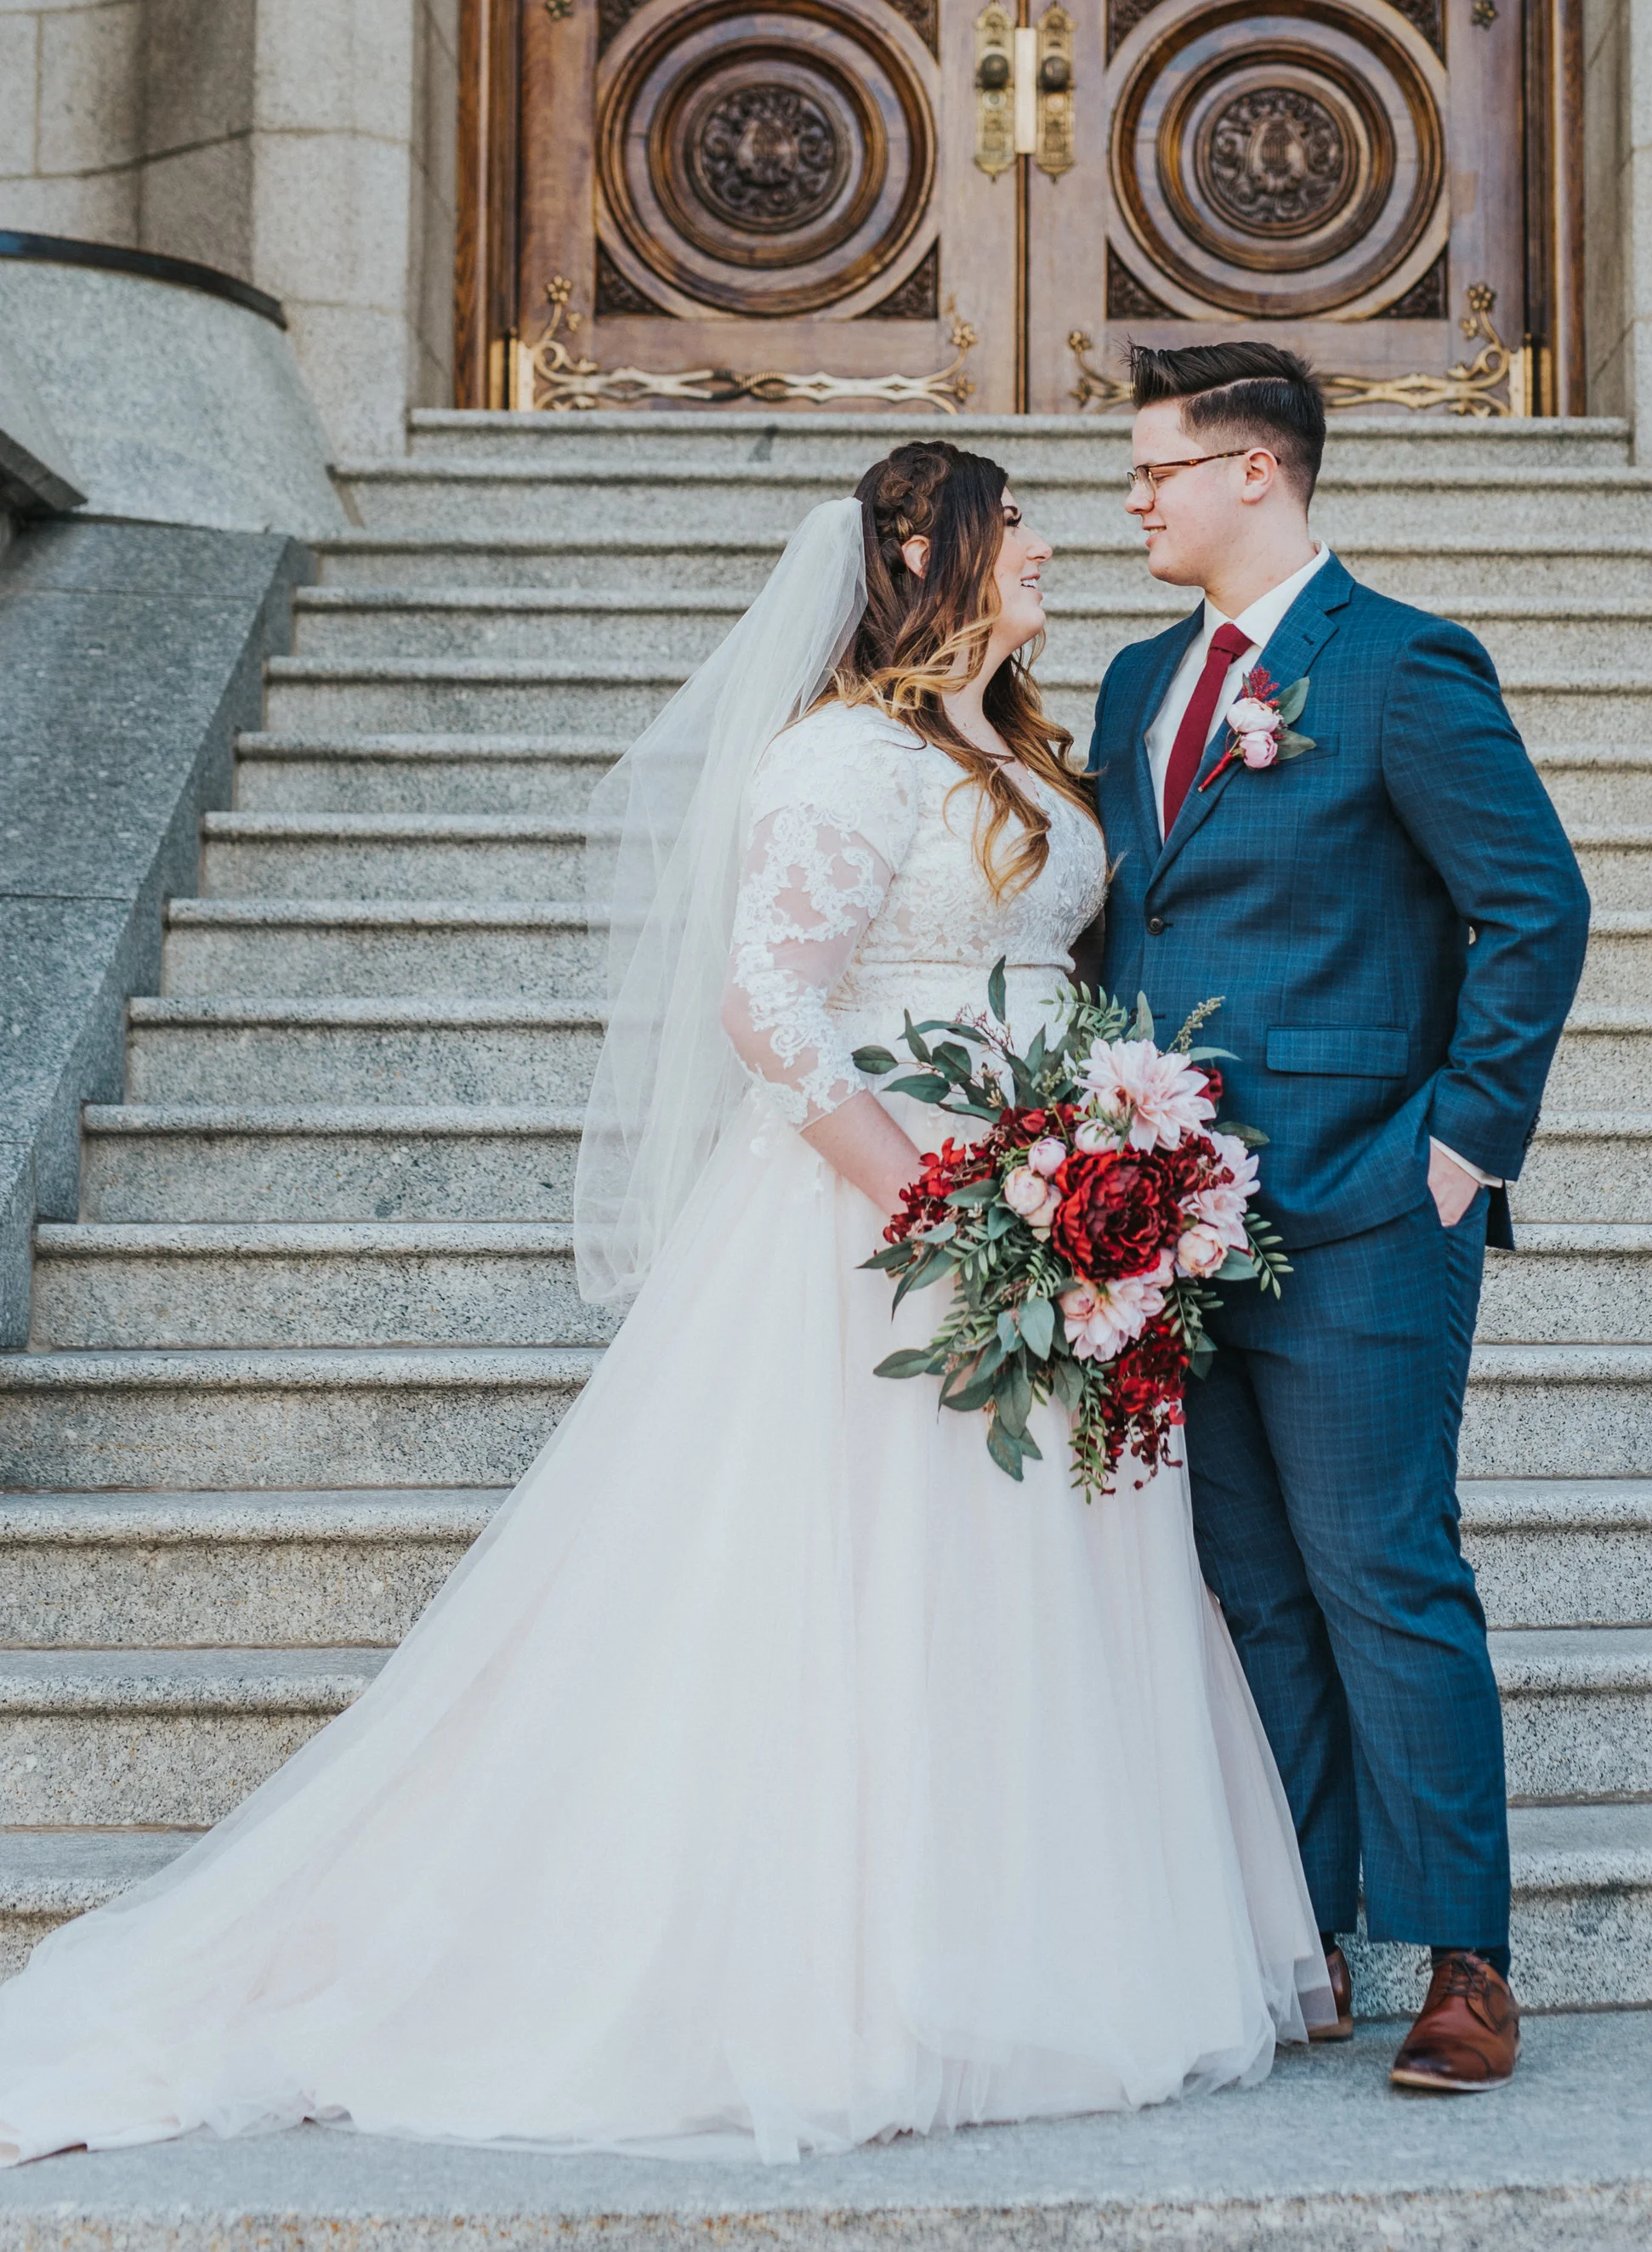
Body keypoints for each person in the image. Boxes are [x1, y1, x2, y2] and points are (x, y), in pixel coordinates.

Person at [0, 442, 1331, 2168]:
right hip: (893, 1224)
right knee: (876, 1581)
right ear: (929, 553)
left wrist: (1101, 1167)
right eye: (1018, 527)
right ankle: (857, 1975)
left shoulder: (1022, 747)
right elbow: (770, 1007)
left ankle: (1011, 1959)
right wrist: (942, 1202)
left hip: (1063, 1208)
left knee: (1030, 1581)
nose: (1053, 545)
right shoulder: (841, 754)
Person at [1087, 344, 1591, 2094]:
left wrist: (1459, 1145)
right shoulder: (1135, 681)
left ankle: (1463, 1959)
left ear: (1255, 474)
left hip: (1369, 1204)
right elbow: (1123, 936)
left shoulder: (1392, 665)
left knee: (1382, 1566)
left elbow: (1532, 905)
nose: (1133, 499)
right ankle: (1299, 1933)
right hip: (1159, 1219)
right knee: (1248, 1587)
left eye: (1156, 469)